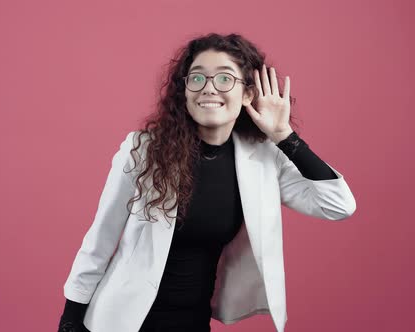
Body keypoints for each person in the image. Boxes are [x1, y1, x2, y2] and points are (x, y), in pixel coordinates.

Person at [57, 33, 356, 332]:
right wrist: (70, 320)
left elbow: (338, 204)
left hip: (194, 323)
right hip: (123, 322)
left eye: (224, 79)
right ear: (185, 92)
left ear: (248, 94)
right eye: (197, 79)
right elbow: (100, 239)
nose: (209, 88)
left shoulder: (263, 161)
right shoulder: (145, 150)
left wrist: (283, 136)